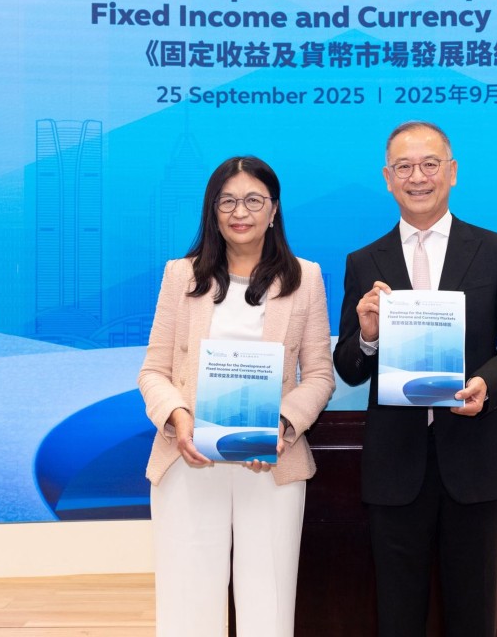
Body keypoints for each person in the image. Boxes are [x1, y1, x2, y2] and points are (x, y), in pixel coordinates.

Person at [333, 121, 497, 637]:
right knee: (397, 612)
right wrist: (367, 336)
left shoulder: (495, 251)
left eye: (430, 164)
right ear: (387, 178)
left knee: (473, 611)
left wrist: (487, 385)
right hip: (394, 465)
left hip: (473, 458)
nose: (417, 177)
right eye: (404, 166)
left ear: (452, 172)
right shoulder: (363, 262)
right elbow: (348, 368)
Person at [138, 156, 335, 637]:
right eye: (226, 201)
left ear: (274, 209)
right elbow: (153, 371)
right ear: (212, 210)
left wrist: (282, 425)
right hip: (189, 459)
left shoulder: (305, 278)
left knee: (267, 602)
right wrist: (178, 417)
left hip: (270, 462)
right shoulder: (180, 275)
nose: (239, 212)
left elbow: (320, 375)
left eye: (253, 200)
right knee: (187, 602)